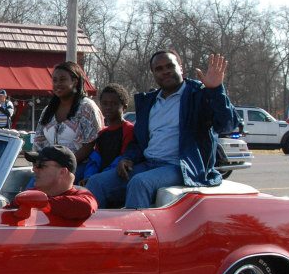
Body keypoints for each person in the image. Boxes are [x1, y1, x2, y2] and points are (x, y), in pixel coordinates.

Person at [85, 51, 235, 209]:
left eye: (170, 66)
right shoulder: (149, 102)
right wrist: (128, 157)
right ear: (154, 74)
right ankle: (96, 233)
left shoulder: (198, 95)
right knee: (96, 182)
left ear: (181, 68)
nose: (165, 71)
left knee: (140, 183)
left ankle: (136, 233)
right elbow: (138, 141)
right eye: (159, 68)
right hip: (149, 164)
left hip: (182, 167)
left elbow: (227, 125)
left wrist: (216, 90)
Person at [33, 61, 104, 167]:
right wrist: (40, 163)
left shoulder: (86, 107)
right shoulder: (48, 110)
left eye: (62, 79)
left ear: (75, 81)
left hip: (79, 167)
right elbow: (38, 141)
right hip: (49, 168)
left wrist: (64, 165)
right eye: (55, 80)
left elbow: (90, 145)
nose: (57, 84)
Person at [21, 145, 97, 223]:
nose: (34, 169)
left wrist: (37, 203)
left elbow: (85, 207)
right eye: (34, 165)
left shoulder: (83, 196)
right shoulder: (31, 195)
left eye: (41, 165)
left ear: (62, 172)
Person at [80, 84, 134, 185]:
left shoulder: (129, 129)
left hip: (117, 175)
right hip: (98, 177)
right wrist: (88, 176)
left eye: (114, 104)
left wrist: (97, 178)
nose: (108, 107)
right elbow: (95, 160)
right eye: (105, 103)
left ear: (124, 107)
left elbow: (123, 158)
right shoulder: (102, 133)